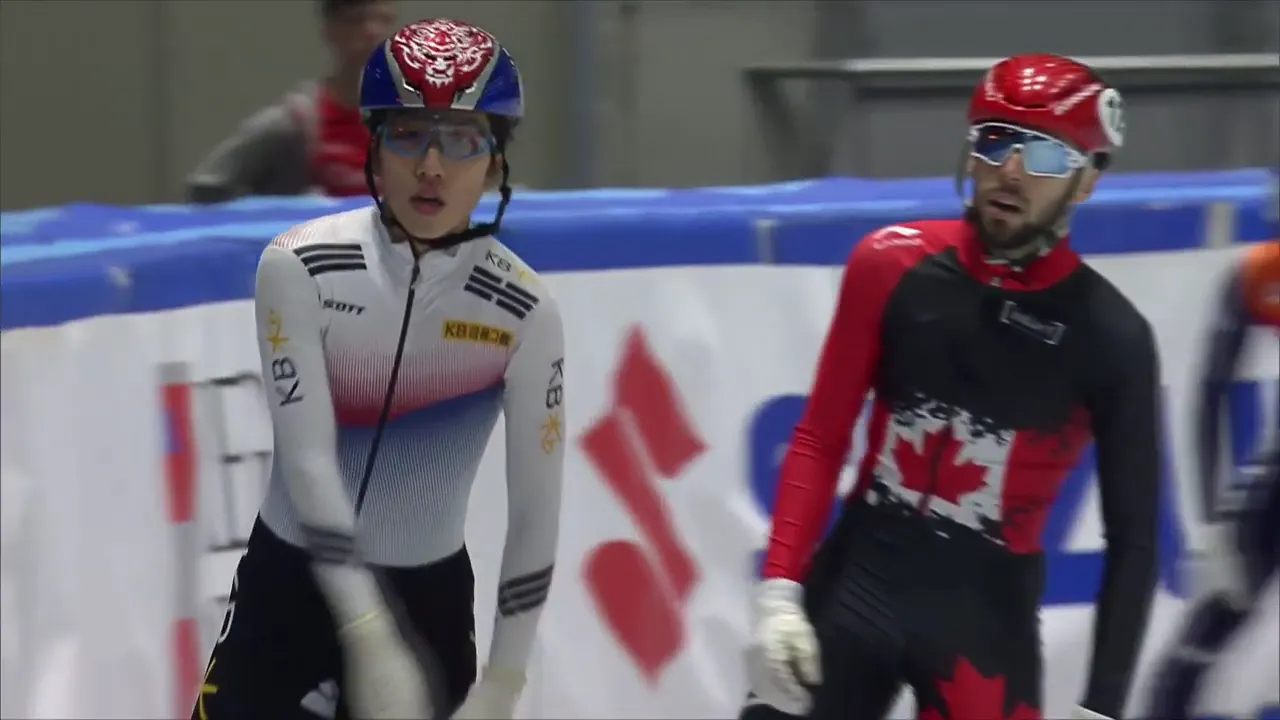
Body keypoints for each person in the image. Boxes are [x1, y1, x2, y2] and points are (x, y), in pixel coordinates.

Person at [742, 54, 1159, 720]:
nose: (1011, 170)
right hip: (857, 586)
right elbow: (821, 436)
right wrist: (780, 594)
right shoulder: (889, 263)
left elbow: (1134, 540)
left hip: (983, 630)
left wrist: (1102, 707)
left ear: (1085, 181)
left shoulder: (1113, 337)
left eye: (1044, 155)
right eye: (995, 141)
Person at [194, 17, 565, 720]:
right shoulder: (298, 265)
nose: (432, 166)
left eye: (461, 140)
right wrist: (366, 630)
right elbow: (308, 461)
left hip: (429, 599)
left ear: (495, 162)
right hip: (288, 584)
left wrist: (505, 681)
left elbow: (536, 512)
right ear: (374, 144)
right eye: (409, 134)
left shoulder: (523, 310)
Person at [1146, 239, 1279, 719]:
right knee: (1223, 603)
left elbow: (1212, 389)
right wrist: (1210, 525)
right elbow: (1210, 390)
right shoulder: (1262, 272)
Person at [185, 0, 397, 203]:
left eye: (384, 20)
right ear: (330, 29)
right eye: (357, 20)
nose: (373, 32)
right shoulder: (294, 123)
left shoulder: (405, 118)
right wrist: (286, 209)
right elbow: (206, 187)